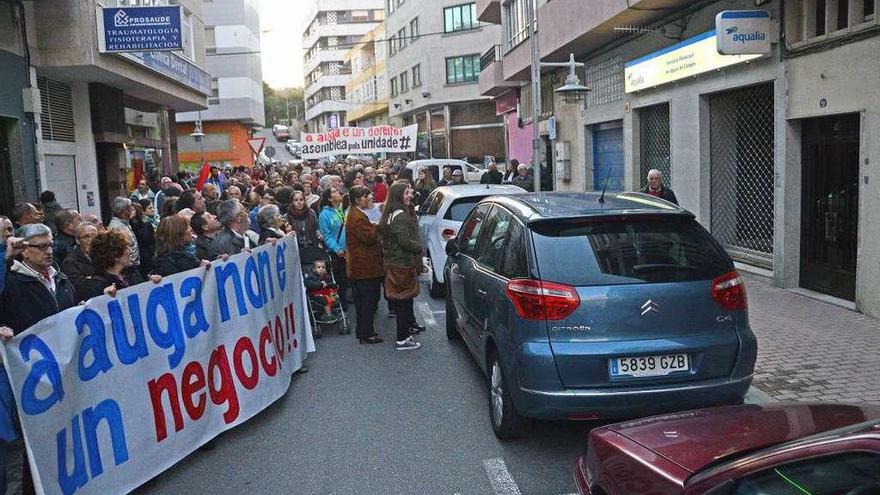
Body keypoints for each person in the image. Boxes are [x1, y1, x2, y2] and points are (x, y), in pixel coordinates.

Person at [0, 223, 78, 494]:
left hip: (64, 368)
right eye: (41, 247)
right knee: (38, 440)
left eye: (50, 245)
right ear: (23, 251)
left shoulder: (60, 278)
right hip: (32, 375)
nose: (49, 252)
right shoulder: (11, 283)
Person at [379, 182, 424, 351]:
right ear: (398, 195)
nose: (410, 195)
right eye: (406, 193)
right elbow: (404, 242)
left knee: (401, 303)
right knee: (404, 302)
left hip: (393, 264)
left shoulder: (390, 214)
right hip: (402, 265)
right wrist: (419, 248)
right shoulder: (401, 217)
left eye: (410, 192)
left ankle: (404, 335)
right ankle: (403, 338)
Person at [345, 186, 384, 344]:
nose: (369, 198)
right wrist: (376, 226)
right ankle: (366, 333)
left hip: (363, 266)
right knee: (368, 301)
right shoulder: (357, 217)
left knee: (365, 301)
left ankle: (364, 331)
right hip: (364, 266)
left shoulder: (357, 214)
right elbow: (369, 237)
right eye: (365, 196)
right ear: (356, 200)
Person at [319, 186, 349, 307]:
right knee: (339, 279)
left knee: (346, 279)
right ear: (330, 199)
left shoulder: (342, 210)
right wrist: (337, 249)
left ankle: (345, 299)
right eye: (335, 191)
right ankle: (341, 304)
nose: (339, 193)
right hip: (336, 253)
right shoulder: (324, 215)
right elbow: (326, 235)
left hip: (347, 250)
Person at [107, 196, 143, 284]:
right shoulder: (116, 228)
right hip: (127, 270)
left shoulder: (125, 223)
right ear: (123, 211)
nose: (132, 209)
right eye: (129, 208)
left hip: (133, 267)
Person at [61, 221, 98, 288]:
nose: (91, 240)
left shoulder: (105, 255)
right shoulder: (70, 262)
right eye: (86, 237)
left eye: (94, 236)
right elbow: (80, 286)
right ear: (77, 240)